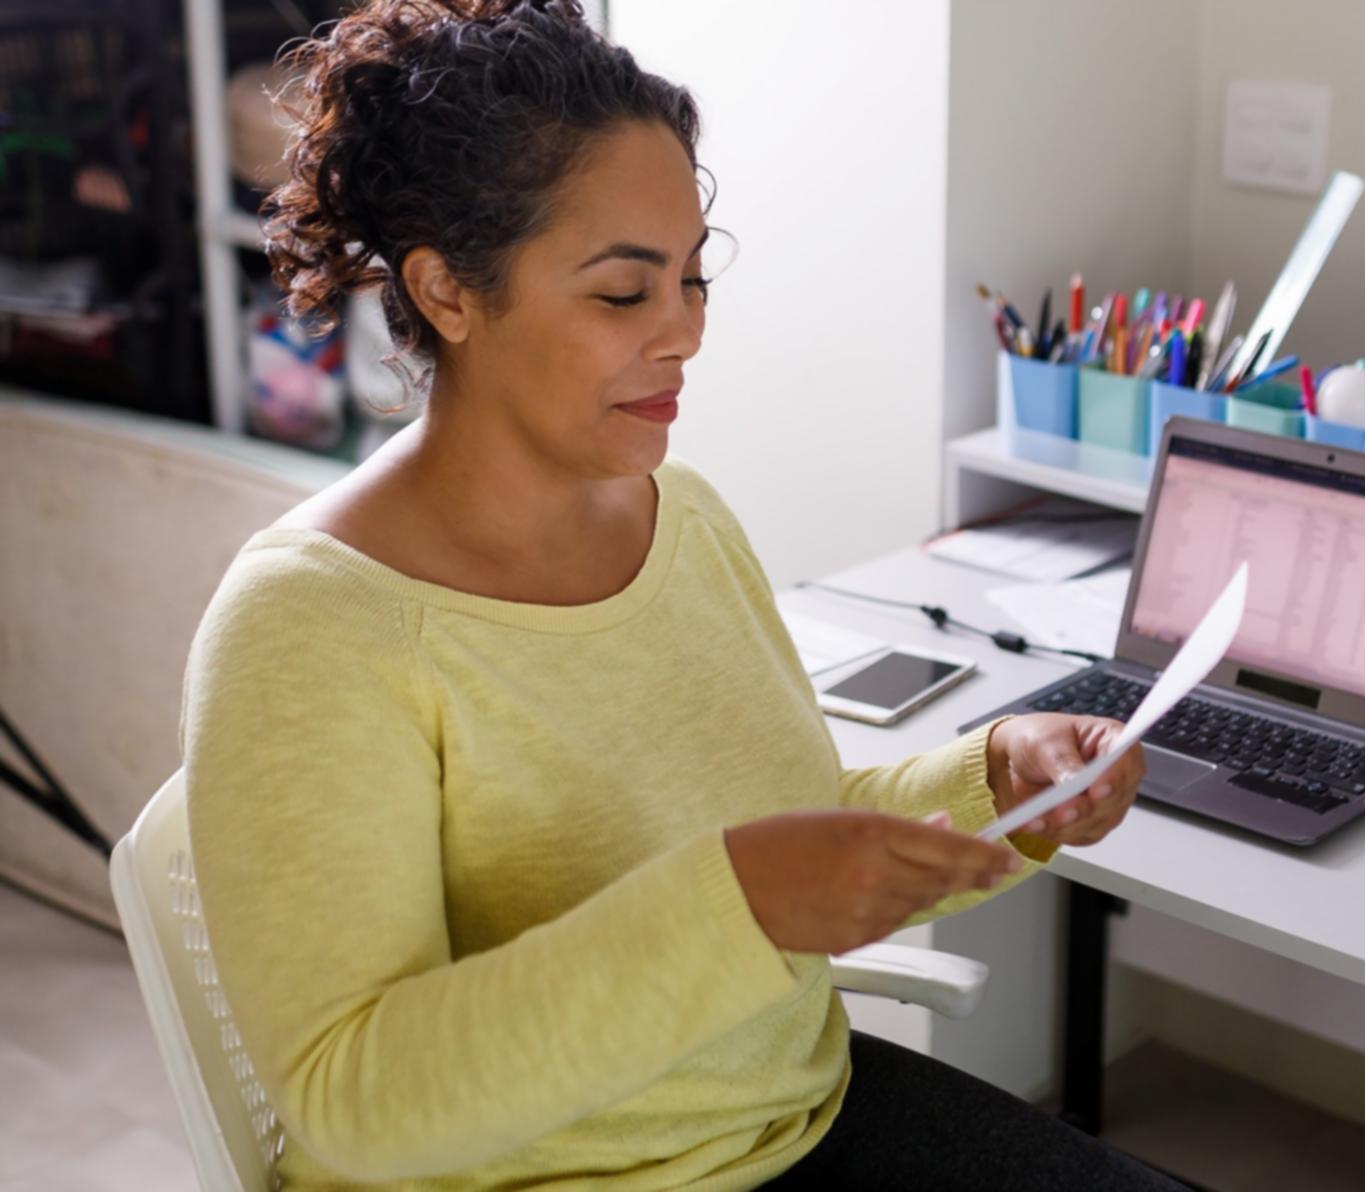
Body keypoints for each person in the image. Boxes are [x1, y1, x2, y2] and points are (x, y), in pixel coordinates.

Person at [182, 2, 1180, 1187]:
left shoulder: (682, 515)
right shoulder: (312, 625)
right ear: (447, 291)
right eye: (623, 293)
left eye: (694, 278)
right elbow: (356, 1097)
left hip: (796, 1119)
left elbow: (790, 824)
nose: (686, 333)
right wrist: (737, 907)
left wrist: (1000, 782)